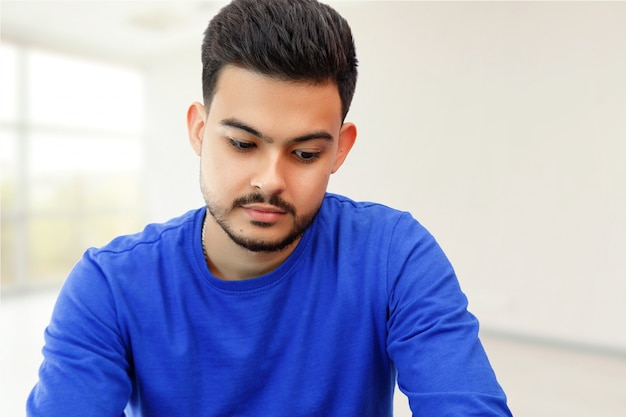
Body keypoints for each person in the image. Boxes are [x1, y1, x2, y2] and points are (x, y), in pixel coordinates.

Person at [27, 0, 512, 416]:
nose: (271, 181)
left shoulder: (393, 255)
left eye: (305, 154)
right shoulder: (109, 286)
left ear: (340, 149)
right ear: (199, 129)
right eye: (242, 144)